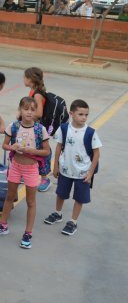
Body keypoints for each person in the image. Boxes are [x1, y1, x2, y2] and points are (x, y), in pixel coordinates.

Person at [0, 97, 51, 249]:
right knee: (9, 197)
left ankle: (28, 232)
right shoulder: (14, 126)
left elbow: (46, 151)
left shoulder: (39, 129)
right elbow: (4, 145)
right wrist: (12, 147)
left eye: (32, 109)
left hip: (31, 169)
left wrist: (32, 151)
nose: (29, 112)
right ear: (20, 110)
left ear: (36, 112)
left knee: (30, 201)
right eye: (26, 109)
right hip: (15, 166)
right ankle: (3, 225)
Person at [45, 99, 102, 236]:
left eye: (86, 115)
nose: (84, 117)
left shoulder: (90, 132)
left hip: (82, 173)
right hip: (65, 170)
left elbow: (96, 153)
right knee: (61, 193)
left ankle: (73, 221)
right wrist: (56, 165)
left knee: (79, 198)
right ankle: (58, 213)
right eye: (80, 114)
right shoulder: (64, 129)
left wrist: (90, 172)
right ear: (71, 113)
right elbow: (58, 146)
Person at [23, 67, 53, 191]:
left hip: (38, 129)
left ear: (31, 79)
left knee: (43, 151)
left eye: (25, 77)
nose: (23, 79)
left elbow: (39, 113)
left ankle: (45, 178)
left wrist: (25, 116)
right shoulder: (33, 91)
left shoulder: (37, 94)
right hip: (34, 127)